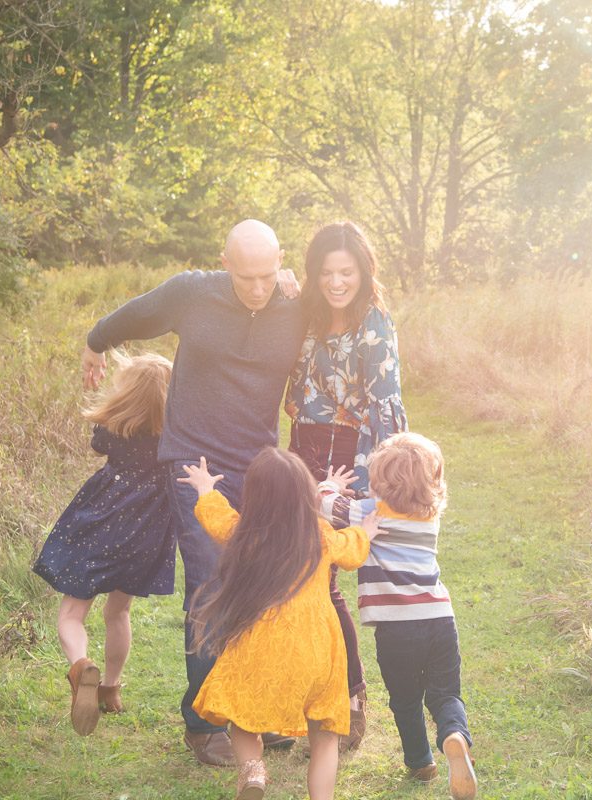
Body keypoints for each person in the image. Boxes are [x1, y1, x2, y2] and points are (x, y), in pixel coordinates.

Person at [81, 220, 305, 766]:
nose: (257, 288)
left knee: (264, 584)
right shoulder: (192, 293)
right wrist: (95, 344)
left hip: (259, 467)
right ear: (223, 261)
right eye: (246, 276)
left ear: (282, 260)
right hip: (194, 461)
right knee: (209, 583)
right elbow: (132, 315)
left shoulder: (298, 303)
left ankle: (253, 709)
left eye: (268, 275)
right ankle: (204, 723)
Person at [176, 450, 381, 800]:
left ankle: (253, 773)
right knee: (325, 735)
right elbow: (351, 552)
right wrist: (365, 532)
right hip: (318, 646)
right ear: (307, 494)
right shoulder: (320, 533)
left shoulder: (246, 533)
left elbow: (216, 517)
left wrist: (205, 487)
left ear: (254, 495)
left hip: (262, 640)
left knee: (243, 718)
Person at [285, 220, 408, 749]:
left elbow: (386, 408)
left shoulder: (374, 322)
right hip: (302, 445)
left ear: (363, 270)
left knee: (328, 576)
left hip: (348, 452)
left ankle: (351, 697)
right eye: (326, 272)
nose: (337, 282)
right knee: (295, 572)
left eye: (347, 272)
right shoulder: (306, 314)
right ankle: (303, 693)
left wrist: (382, 480)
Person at [319, 433, 478, 800]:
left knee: (406, 699)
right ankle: (454, 735)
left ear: (379, 482)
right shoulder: (430, 516)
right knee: (446, 694)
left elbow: (323, 503)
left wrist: (333, 484)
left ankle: (421, 762)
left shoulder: (368, 513)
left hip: (396, 629)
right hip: (440, 618)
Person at [33, 352, 176, 737]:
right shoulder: (173, 433)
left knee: (71, 615)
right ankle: (110, 688)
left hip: (100, 525)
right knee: (118, 613)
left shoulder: (113, 426)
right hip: (145, 535)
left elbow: (98, 447)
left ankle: (81, 667)